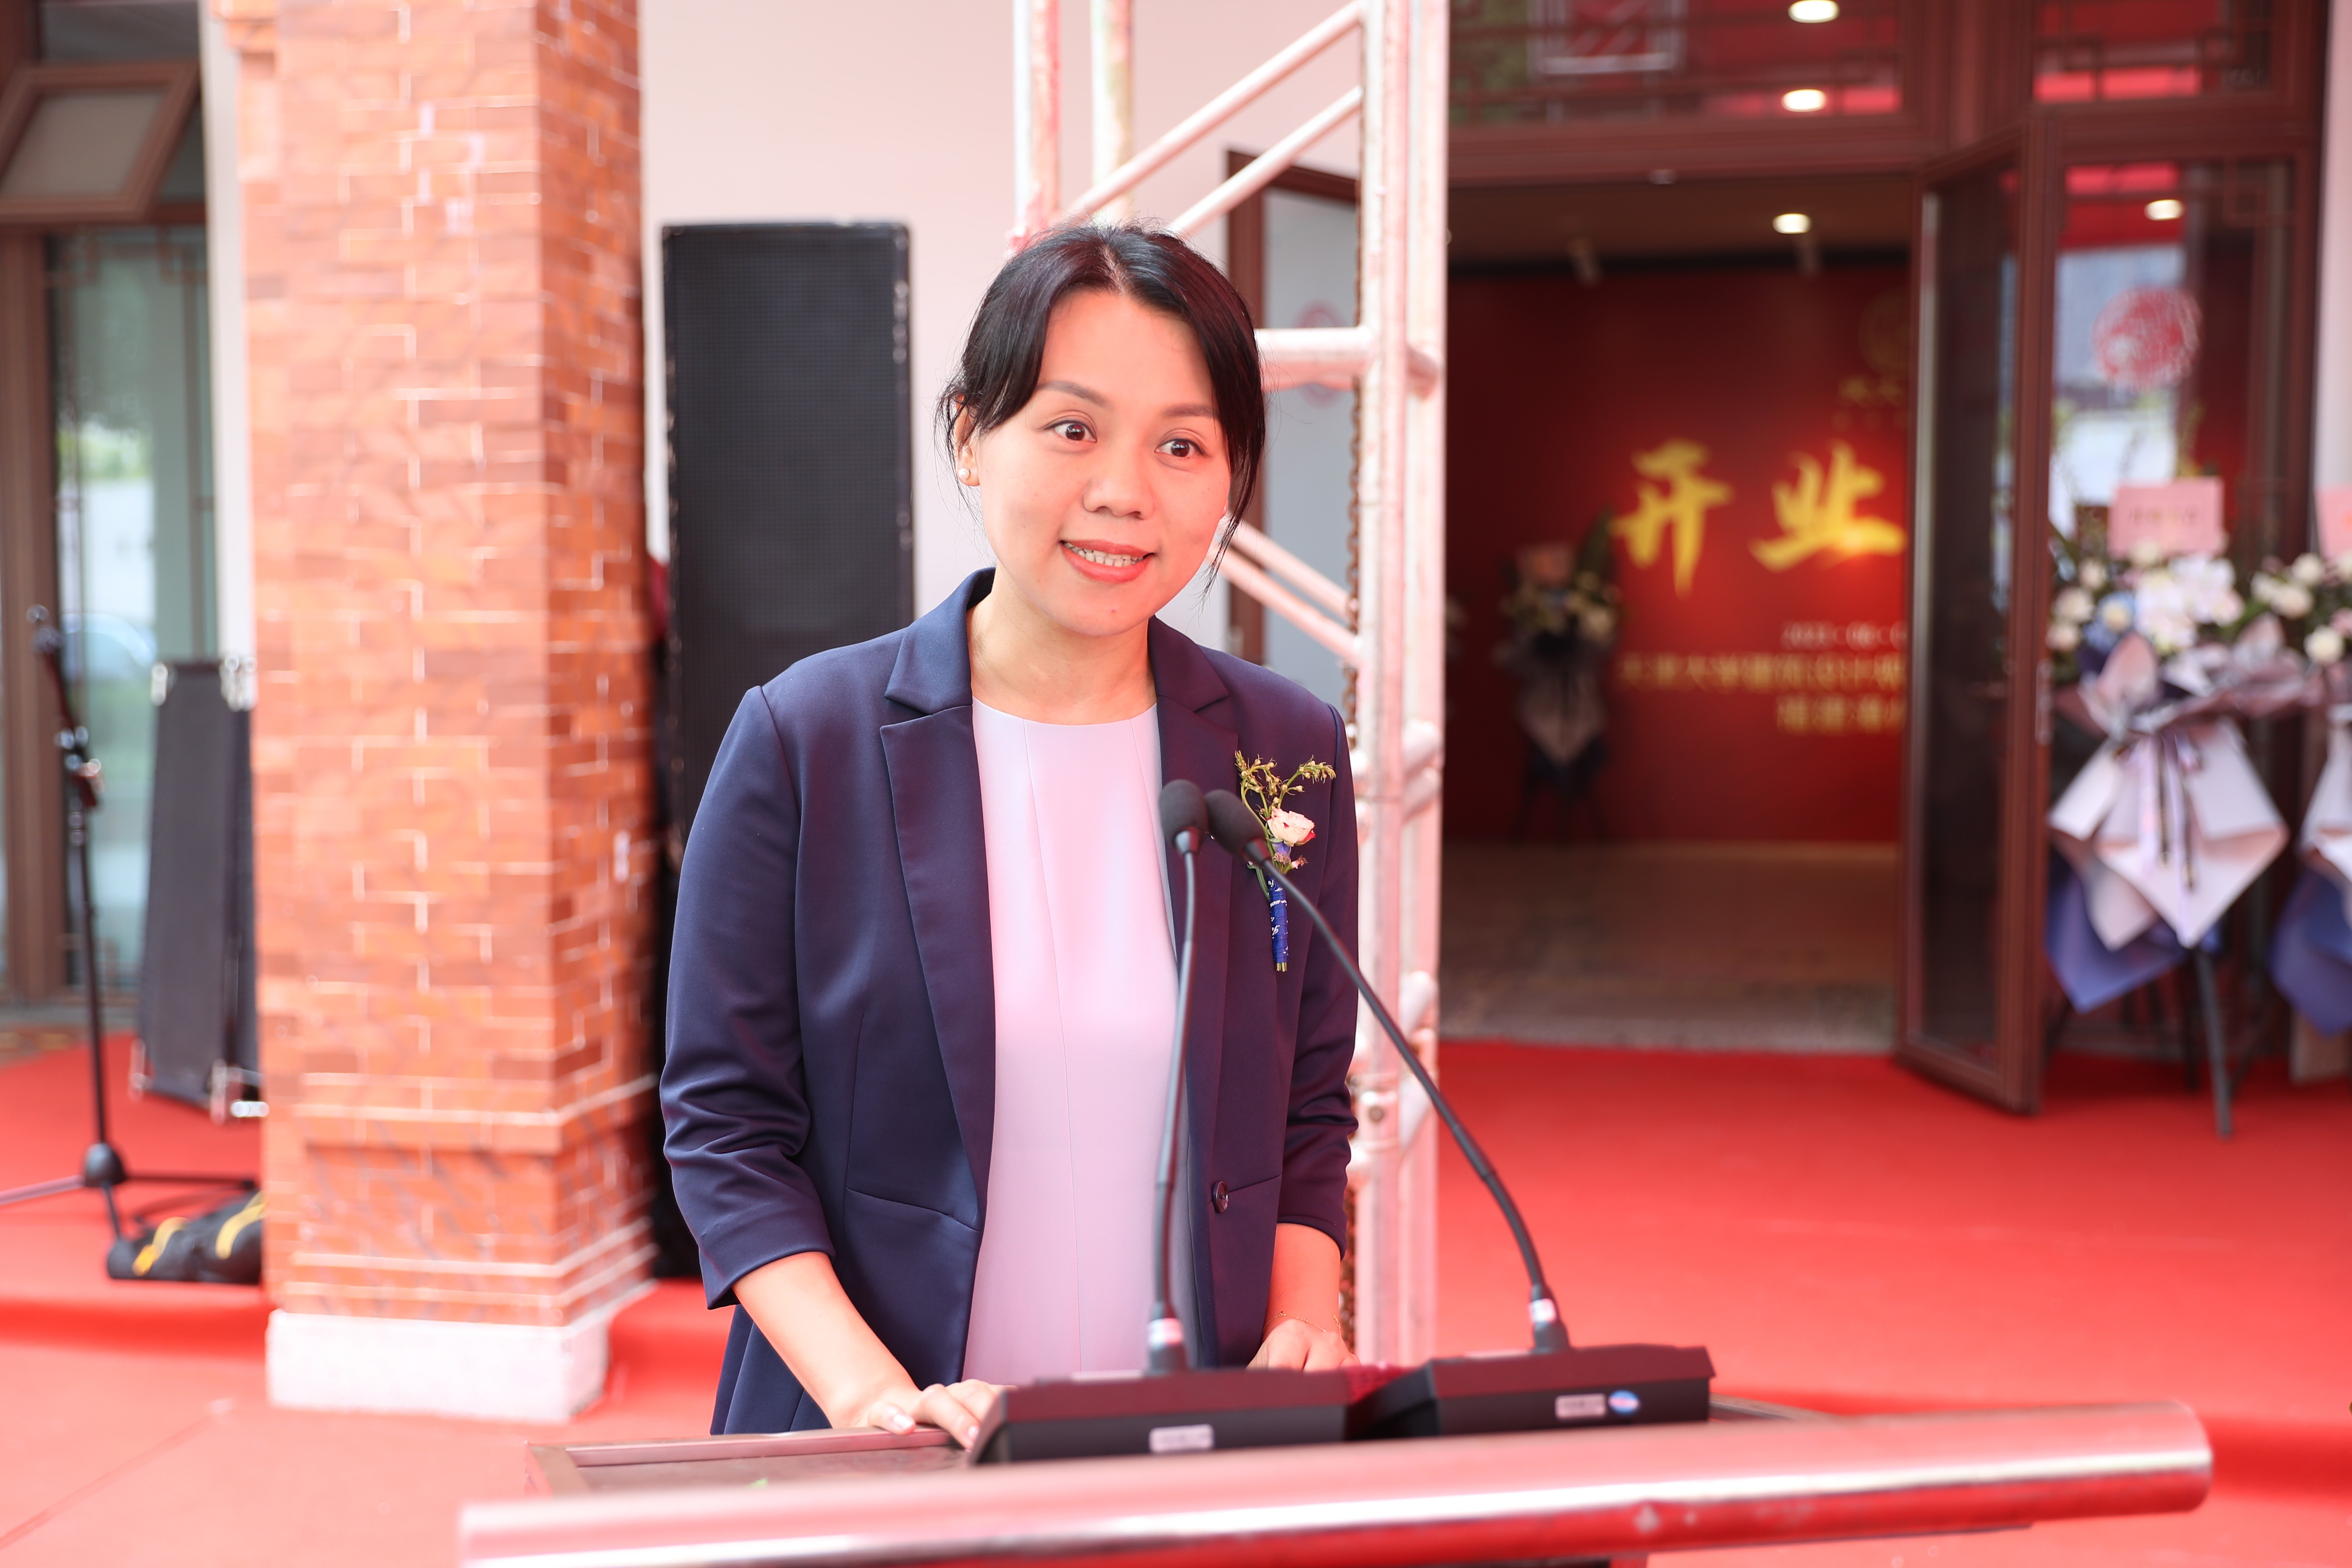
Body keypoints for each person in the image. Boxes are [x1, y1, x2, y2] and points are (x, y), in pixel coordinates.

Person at [662, 223, 1361, 1443]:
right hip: (893, 1436)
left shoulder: (1286, 747)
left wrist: (1305, 1319)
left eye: (1183, 445)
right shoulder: (806, 740)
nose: (1125, 492)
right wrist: (875, 1399)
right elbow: (726, 1127)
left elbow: (1307, 1105)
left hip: (1194, 1447)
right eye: (1073, 428)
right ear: (970, 437)